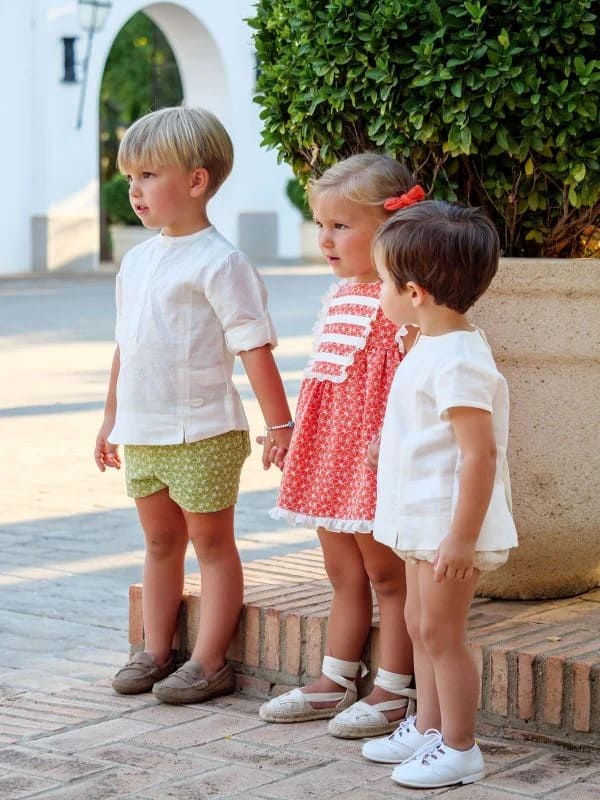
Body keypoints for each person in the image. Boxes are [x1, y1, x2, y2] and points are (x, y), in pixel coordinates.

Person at [94, 106, 293, 705]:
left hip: (203, 431)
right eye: (131, 178)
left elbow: (254, 347)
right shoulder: (137, 260)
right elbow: (125, 346)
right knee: (158, 544)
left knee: (211, 545)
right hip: (146, 431)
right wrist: (111, 418)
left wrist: (280, 423)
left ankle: (209, 662)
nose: (135, 190)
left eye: (149, 175)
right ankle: (155, 651)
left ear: (197, 180)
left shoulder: (221, 262)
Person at [259, 153, 424, 739]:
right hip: (330, 457)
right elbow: (327, 380)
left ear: (387, 230)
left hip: (375, 459)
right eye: (320, 224)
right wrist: (295, 430)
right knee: (342, 572)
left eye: (341, 226)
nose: (325, 238)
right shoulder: (339, 296)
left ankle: (393, 688)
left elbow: (409, 383)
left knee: (387, 575)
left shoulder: (401, 300)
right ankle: (335, 677)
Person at [362, 200, 518, 788]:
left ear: (415, 291)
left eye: (382, 282)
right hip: (420, 520)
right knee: (417, 620)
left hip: (448, 527)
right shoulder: (426, 342)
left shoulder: (459, 360)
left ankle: (460, 747)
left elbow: (479, 454)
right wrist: (388, 448)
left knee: (442, 634)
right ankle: (429, 730)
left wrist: (461, 537)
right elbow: (429, 434)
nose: (379, 292)